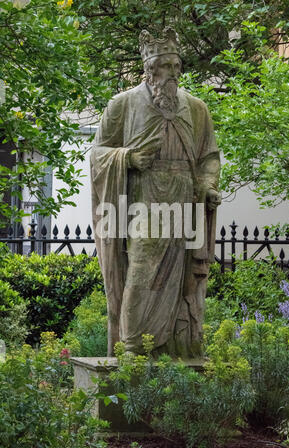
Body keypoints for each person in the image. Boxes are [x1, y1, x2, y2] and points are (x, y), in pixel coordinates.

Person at [90, 27, 221, 357]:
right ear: (149, 70)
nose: (171, 75)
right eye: (163, 67)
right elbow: (98, 154)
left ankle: (179, 348)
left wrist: (207, 185)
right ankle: (132, 346)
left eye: (175, 67)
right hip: (142, 204)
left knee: (184, 283)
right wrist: (128, 158)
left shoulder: (196, 108)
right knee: (142, 269)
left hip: (185, 202)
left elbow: (209, 157)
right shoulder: (123, 105)